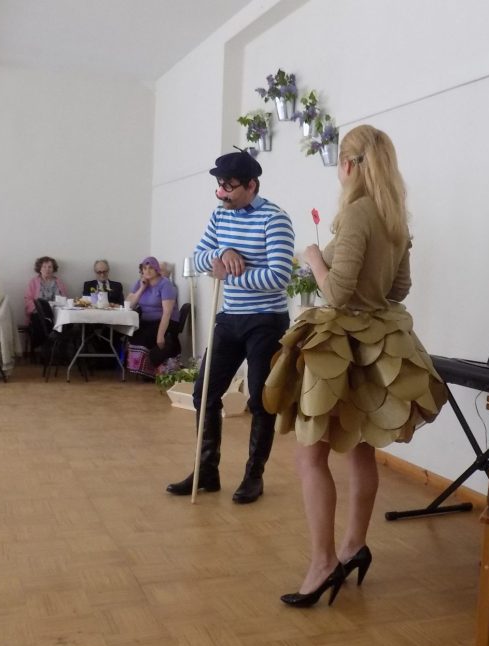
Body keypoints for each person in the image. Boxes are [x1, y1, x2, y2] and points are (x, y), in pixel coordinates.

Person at [262, 126, 447, 607]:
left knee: (310, 456)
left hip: (341, 346)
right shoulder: (393, 215)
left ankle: (323, 563)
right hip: (377, 344)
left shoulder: (358, 213)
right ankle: (353, 547)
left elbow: (338, 293)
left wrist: (314, 258)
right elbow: (398, 289)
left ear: (347, 165)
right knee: (360, 450)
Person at [165, 149, 293, 504]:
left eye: (229, 186)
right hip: (229, 317)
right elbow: (198, 257)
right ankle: (207, 471)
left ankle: (254, 476)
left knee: (261, 400)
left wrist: (233, 273)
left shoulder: (275, 219)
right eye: (219, 185)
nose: (222, 193)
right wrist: (221, 254)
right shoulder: (220, 215)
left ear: (252, 185)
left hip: (266, 321)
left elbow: (279, 277)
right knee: (203, 393)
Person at [124, 257, 181, 378]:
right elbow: (129, 304)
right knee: (133, 334)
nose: (147, 271)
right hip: (147, 320)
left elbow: (167, 312)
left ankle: (152, 371)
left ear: (156, 269)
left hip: (166, 321)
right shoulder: (140, 283)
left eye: (150, 268)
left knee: (146, 337)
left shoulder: (165, 284)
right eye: (144, 268)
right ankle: (142, 370)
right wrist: (142, 288)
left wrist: (160, 336)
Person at [24, 256, 68, 354]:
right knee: (40, 322)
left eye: (50, 267)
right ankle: (43, 349)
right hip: (39, 313)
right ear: (39, 269)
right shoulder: (33, 282)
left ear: (53, 269)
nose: (47, 269)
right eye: (44, 267)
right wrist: (39, 308)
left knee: (66, 324)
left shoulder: (59, 282)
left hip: (56, 313)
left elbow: (64, 299)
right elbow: (28, 299)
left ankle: (58, 351)